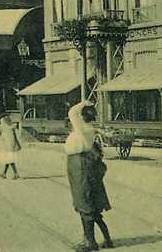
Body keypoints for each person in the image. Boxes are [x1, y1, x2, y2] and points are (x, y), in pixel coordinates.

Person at [65, 100, 113, 251]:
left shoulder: (80, 128)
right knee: (91, 203)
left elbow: (72, 112)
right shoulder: (90, 129)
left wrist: (83, 102)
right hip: (84, 165)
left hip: (79, 166)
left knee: (84, 202)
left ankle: (90, 243)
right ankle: (105, 239)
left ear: (81, 116)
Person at [0, 114, 21, 179]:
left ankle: (15, 173)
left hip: (6, 145)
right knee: (8, 160)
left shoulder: (2, 127)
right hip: (10, 144)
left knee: (9, 160)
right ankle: (4, 173)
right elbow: (14, 136)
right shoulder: (11, 127)